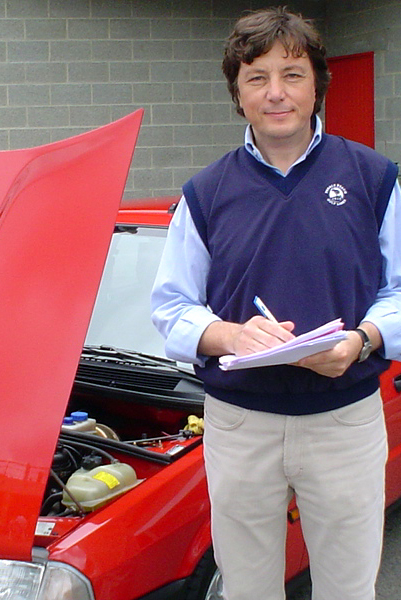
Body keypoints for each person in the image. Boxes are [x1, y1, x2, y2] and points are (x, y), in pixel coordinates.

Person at [150, 7, 401, 600]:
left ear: (317, 84)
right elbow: (172, 307)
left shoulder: (374, 179)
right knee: (247, 589)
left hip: (344, 420)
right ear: (238, 93)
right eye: (257, 77)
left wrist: (362, 340)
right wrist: (231, 335)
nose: (276, 93)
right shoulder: (206, 193)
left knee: (348, 590)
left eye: (292, 74)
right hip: (240, 424)